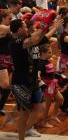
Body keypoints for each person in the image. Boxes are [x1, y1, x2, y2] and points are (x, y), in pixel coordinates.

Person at [9, 12, 56, 140]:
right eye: (24, 27)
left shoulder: (28, 39)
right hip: (21, 82)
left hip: (33, 80)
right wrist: (44, 24)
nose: (27, 28)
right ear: (19, 30)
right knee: (24, 114)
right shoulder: (16, 42)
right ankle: (21, 138)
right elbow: (35, 39)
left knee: (39, 107)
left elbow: (43, 37)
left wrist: (53, 27)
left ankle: (27, 129)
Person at [38, 44, 64, 127]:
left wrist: (59, 78)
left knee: (60, 99)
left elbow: (51, 72)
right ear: (43, 53)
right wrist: (42, 83)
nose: (51, 54)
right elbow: (37, 74)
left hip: (52, 84)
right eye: (49, 52)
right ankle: (44, 122)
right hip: (47, 85)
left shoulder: (48, 61)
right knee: (48, 104)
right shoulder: (40, 63)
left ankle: (54, 115)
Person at [0, 9, 13, 115]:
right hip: (1, 58)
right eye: (9, 18)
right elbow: (11, 28)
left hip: (8, 58)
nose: (11, 20)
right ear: (3, 18)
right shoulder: (1, 27)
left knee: (9, 86)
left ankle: (0, 107)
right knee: (5, 85)